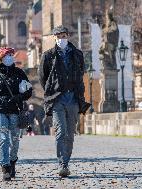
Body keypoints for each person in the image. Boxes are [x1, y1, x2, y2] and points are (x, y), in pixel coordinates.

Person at [38, 25, 90, 177]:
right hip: (57, 100)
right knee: (60, 132)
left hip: (73, 99)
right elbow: (43, 78)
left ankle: (66, 160)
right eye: (58, 36)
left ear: (68, 36)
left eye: (64, 36)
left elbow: (81, 74)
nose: (61, 39)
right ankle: (63, 164)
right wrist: (52, 90)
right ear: (54, 38)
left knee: (70, 134)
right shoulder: (48, 56)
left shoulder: (78, 54)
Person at [0, 47, 32, 181]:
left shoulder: (19, 73)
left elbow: (29, 91)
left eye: (11, 55)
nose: (9, 57)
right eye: (6, 55)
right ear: (1, 58)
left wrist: (18, 98)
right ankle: (5, 166)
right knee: (3, 137)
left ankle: (12, 161)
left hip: (14, 109)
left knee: (14, 140)